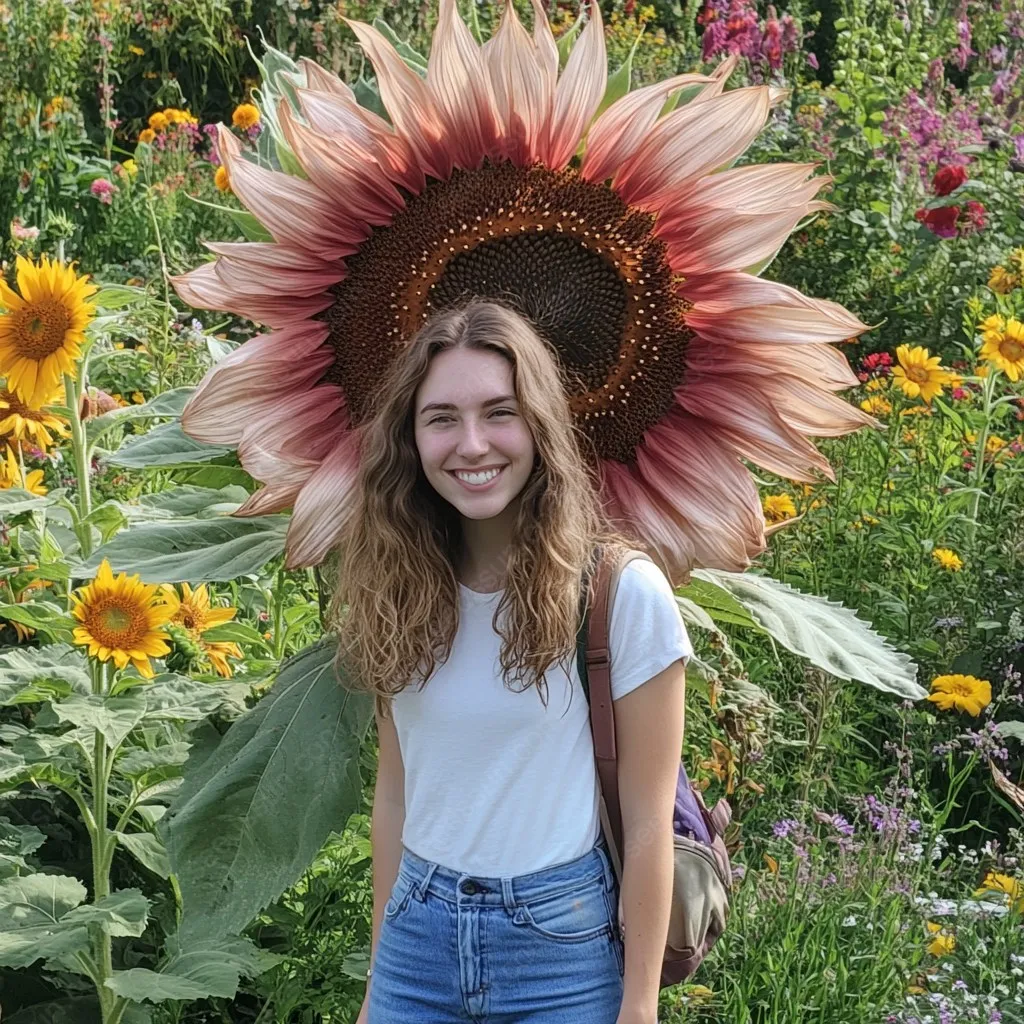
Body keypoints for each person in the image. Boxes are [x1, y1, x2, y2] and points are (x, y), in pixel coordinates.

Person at [329, 298, 693, 1024]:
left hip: (560, 949)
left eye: (500, 412)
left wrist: (640, 1005)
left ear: (540, 427)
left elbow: (649, 821)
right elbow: (397, 799)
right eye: (441, 419)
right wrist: (378, 981)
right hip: (416, 945)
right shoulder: (394, 592)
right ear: (410, 439)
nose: (472, 444)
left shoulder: (619, 593)